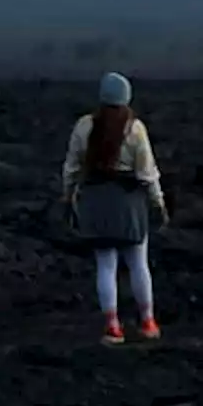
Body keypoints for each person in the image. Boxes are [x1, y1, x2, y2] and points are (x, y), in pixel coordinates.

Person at [60, 71, 169, 345]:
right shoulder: (135, 129)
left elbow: (72, 168)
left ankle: (112, 326)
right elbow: (147, 173)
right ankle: (148, 321)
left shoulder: (84, 127)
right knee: (138, 264)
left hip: (96, 201)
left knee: (105, 265)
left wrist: (68, 198)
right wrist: (158, 202)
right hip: (129, 202)